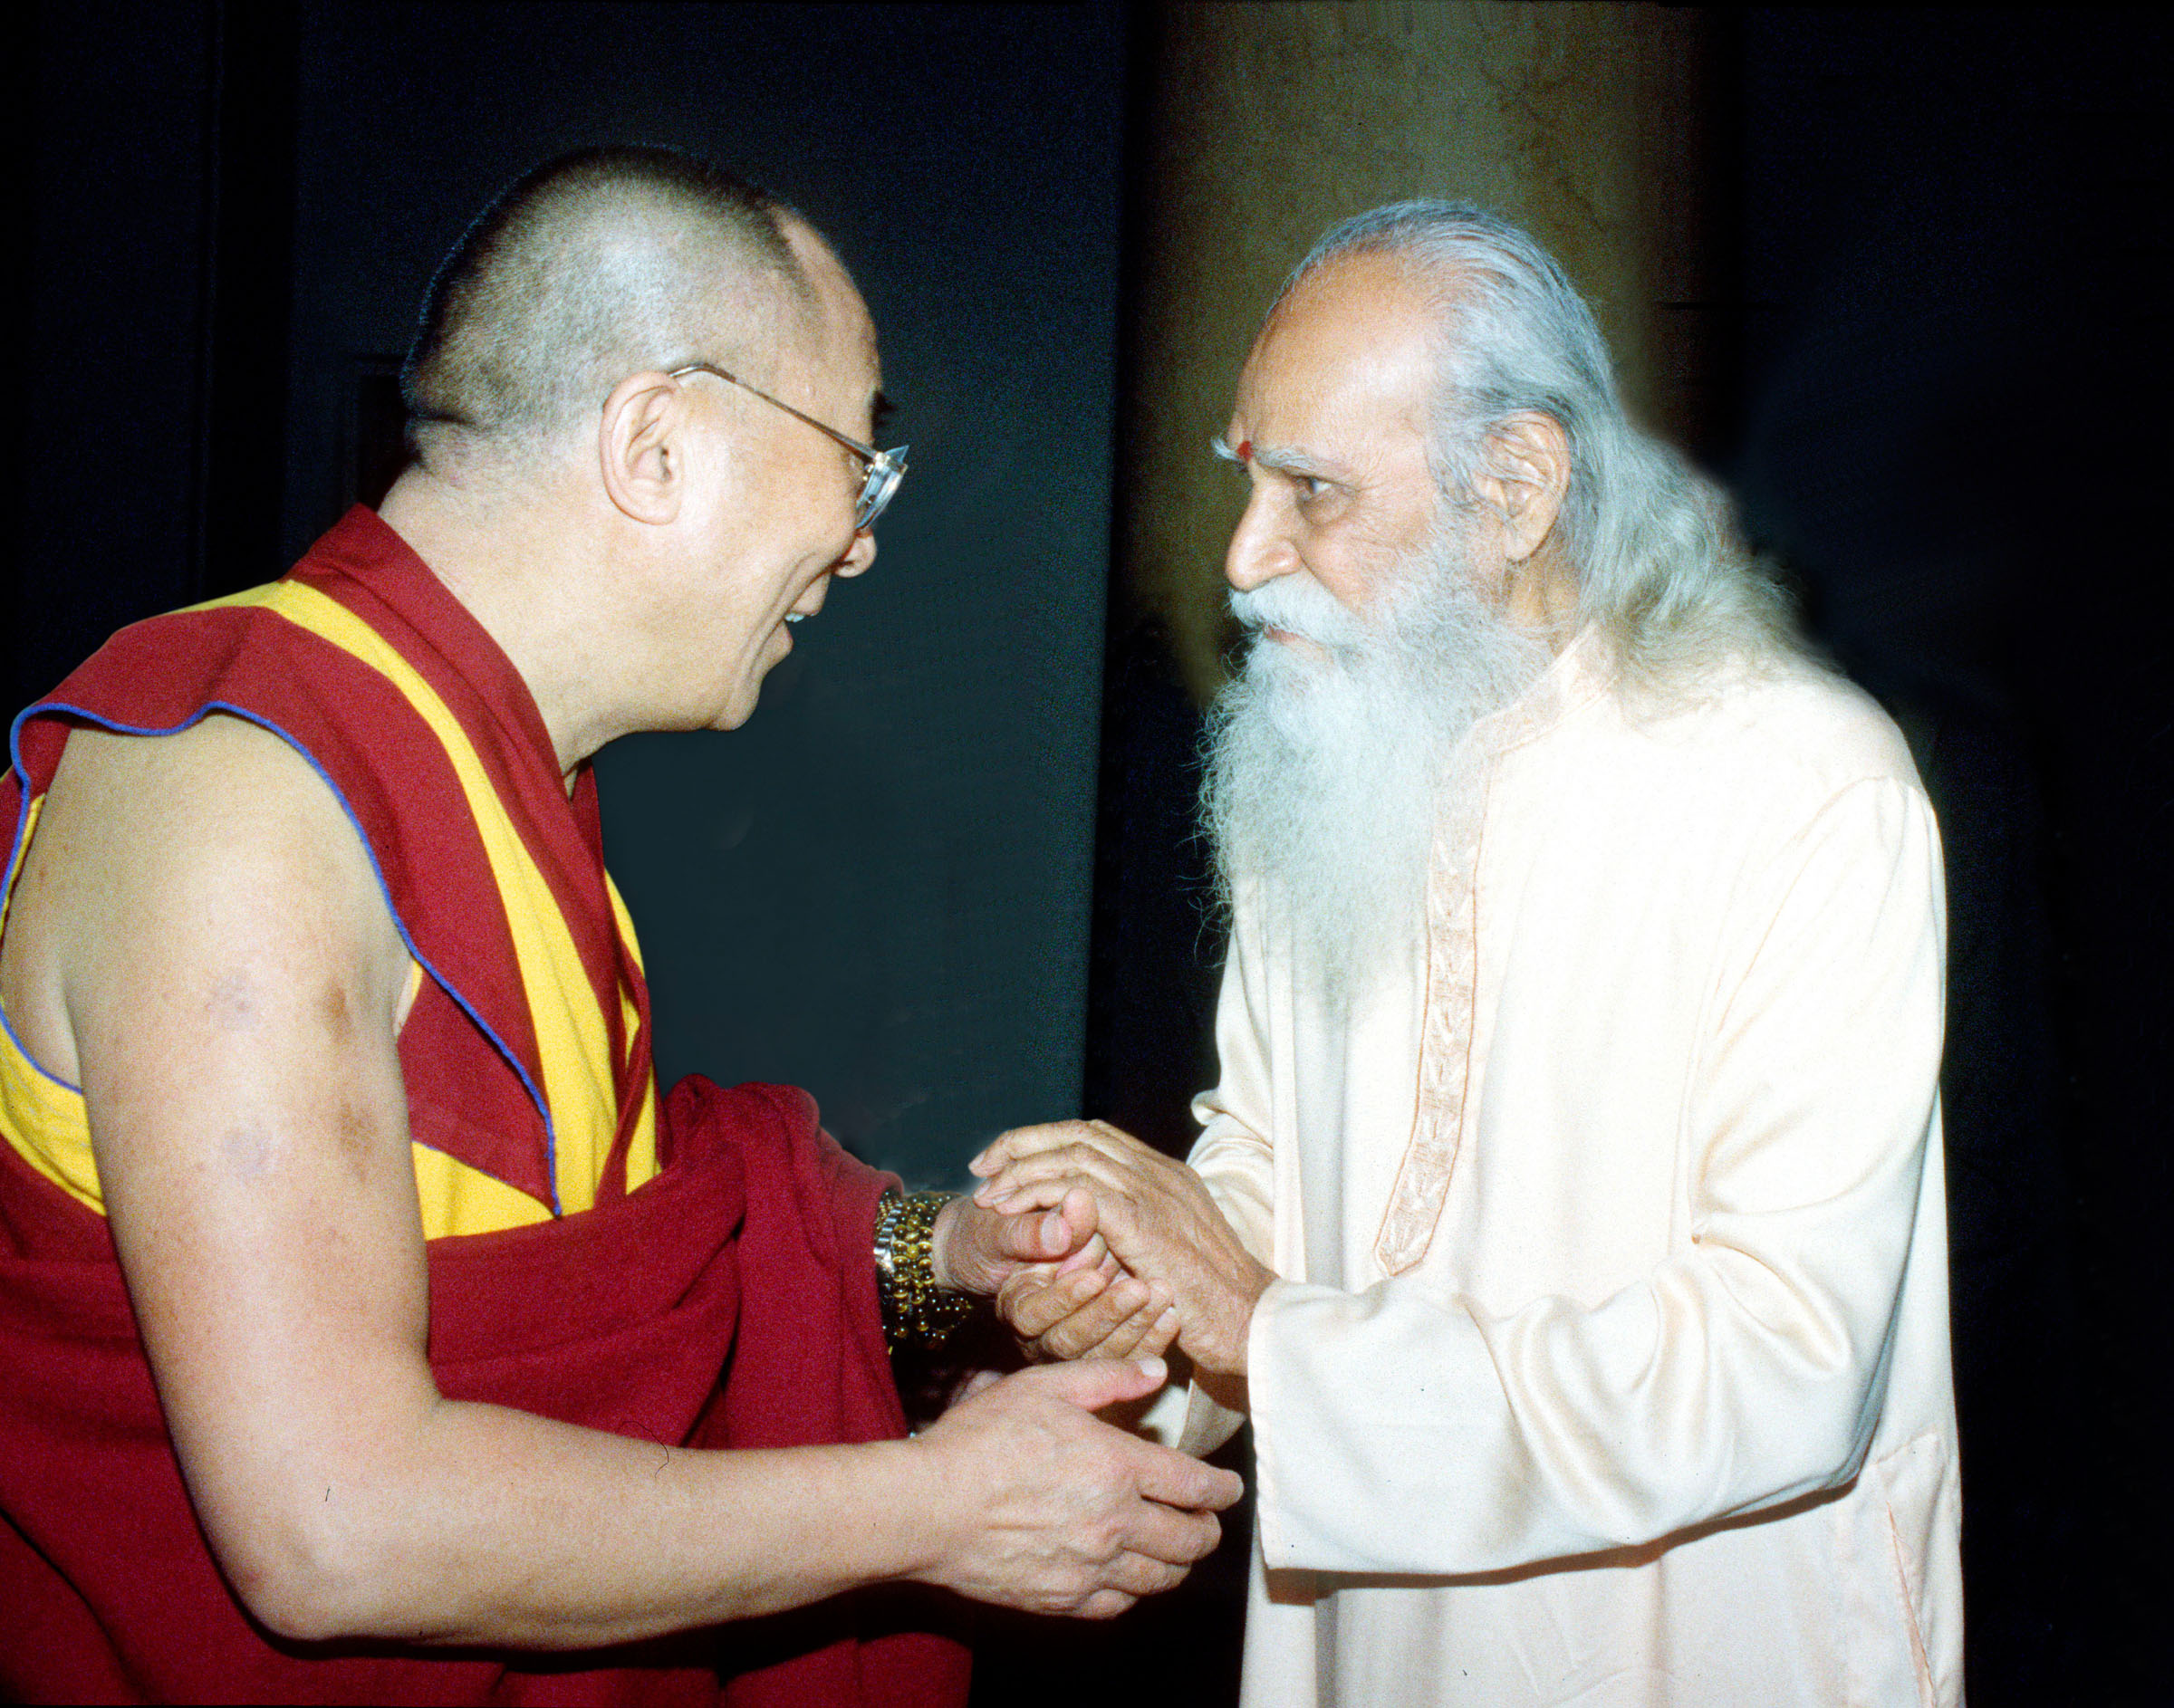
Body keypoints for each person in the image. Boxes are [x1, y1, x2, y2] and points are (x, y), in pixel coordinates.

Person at [0, 145, 1238, 1705]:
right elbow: (331, 1525)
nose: (861, 538)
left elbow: (637, 1216)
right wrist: (940, 1507)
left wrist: (949, 1254)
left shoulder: (495, 772)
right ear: (655, 445)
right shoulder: (243, 784)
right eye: (855, 464)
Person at [976, 202, 1961, 1706]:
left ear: (1514, 487)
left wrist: (1260, 1331)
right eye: (1248, 478)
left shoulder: (1803, 784)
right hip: (1362, 1635)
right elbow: (1274, 1178)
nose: (1246, 554)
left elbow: (1786, 1360)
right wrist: (1137, 1302)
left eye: (1312, 491)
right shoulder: (1327, 749)